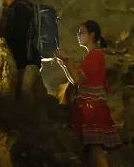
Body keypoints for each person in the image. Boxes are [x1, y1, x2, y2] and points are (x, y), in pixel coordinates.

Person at [56, 20, 120, 166]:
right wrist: (64, 63)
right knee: (92, 151)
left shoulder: (95, 55)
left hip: (93, 110)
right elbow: (75, 81)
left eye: (82, 32)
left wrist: (66, 60)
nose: (78, 35)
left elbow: (77, 78)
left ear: (92, 34)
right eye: (78, 33)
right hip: (89, 108)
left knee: (95, 150)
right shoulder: (92, 55)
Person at [0, 0, 39, 69]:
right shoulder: (11, 9)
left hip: (24, 62)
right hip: (19, 61)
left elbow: (16, 35)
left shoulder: (21, 8)